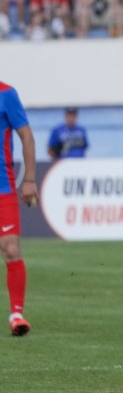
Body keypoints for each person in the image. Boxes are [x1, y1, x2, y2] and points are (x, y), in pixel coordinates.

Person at [0, 83, 36, 336]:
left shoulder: (7, 94)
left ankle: (16, 315)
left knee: (11, 247)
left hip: (3, 188)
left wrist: (30, 180)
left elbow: (26, 136)